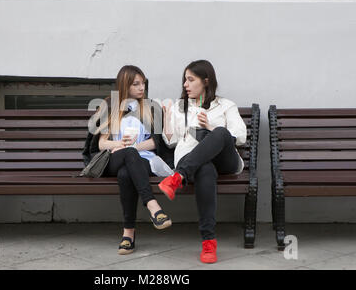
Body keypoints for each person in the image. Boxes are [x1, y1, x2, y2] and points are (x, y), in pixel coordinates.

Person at [158, 60, 247, 264]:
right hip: (194, 159)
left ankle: (178, 176)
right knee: (204, 169)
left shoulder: (225, 105)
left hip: (224, 160)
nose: (185, 85)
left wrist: (211, 127)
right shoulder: (180, 107)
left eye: (190, 80)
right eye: (184, 80)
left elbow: (240, 136)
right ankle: (208, 242)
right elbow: (171, 141)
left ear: (206, 81)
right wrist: (166, 116)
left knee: (221, 132)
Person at [83, 65, 175, 255]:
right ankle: (153, 206)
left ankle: (128, 235)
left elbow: (154, 143)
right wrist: (119, 145)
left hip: (142, 160)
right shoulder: (110, 106)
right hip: (112, 160)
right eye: (136, 84)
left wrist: (132, 147)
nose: (142, 88)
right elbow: (100, 144)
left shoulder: (151, 107)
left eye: (143, 83)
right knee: (127, 156)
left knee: (126, 173)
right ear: (125, 85)